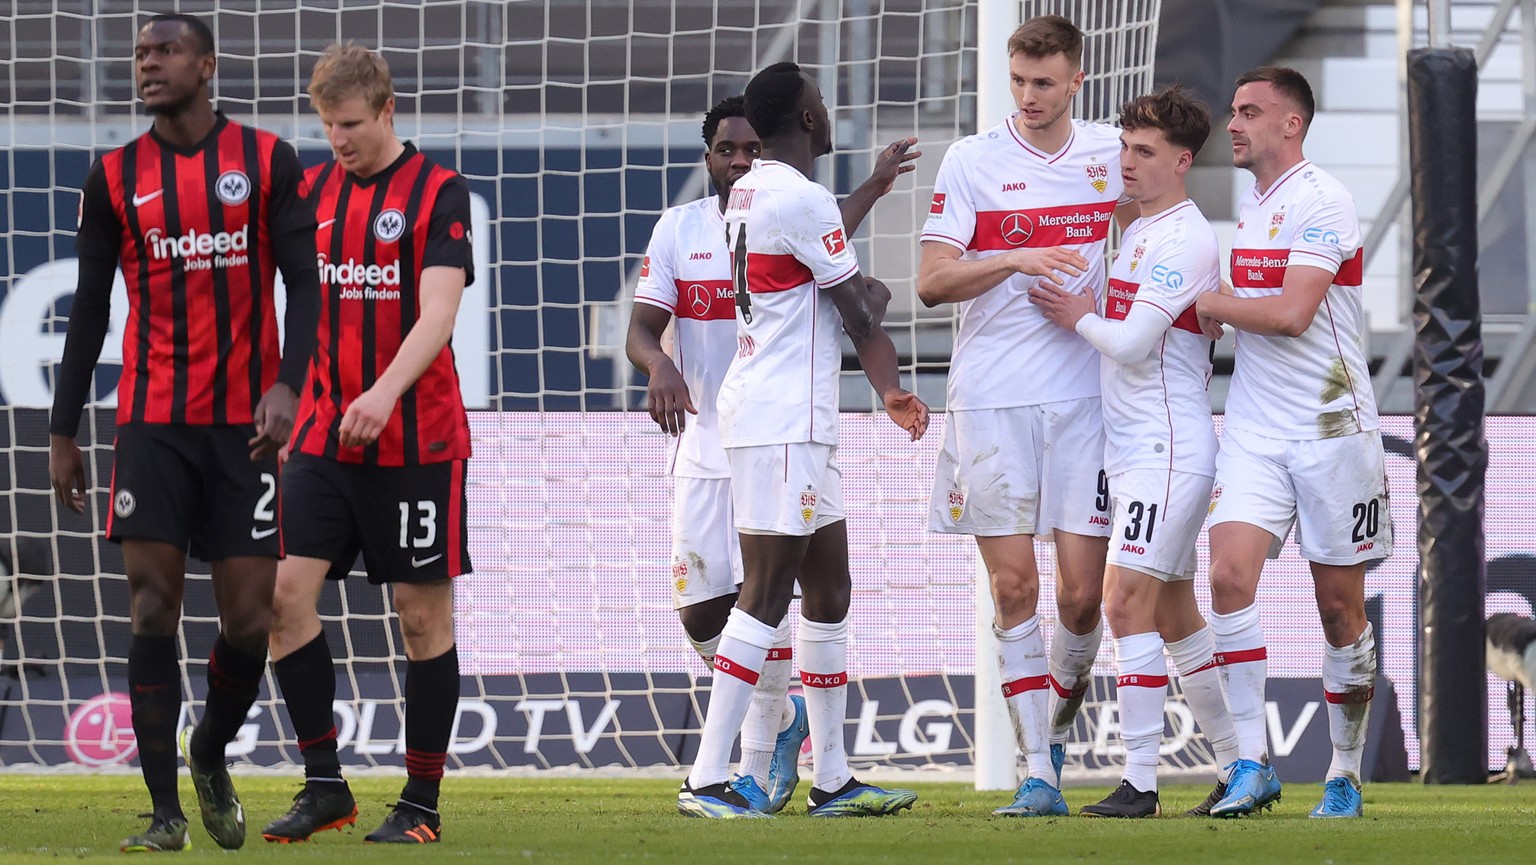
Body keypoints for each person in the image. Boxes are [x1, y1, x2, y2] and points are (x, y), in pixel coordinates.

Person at [47, 13, 320, 853]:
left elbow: (306, 290)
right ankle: (166, 811)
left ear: (207, 64)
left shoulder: (268, 161)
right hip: (152, 424)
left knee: (247, 618)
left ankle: (209, 751)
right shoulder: (114, 175)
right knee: (153, 606)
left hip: (246, 428)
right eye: (139, 54)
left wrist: (285, 387)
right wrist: (64, 430)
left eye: (164, 52)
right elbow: (90, 310)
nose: (147, 65)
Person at [626, 96, 919, 814]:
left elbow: (822, 260)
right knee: (746, 599)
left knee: (828, 587)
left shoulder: (759, 201)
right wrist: (860, 297)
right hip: (768, 421)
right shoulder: (766, 202)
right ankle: (709, 775)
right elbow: (853, 304)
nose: (738, 161)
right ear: (816, 119)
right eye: (726, 149)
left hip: (794, 422)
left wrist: (879, 371)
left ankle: (831, 778)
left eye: (750, 146)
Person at [260, 43, 475, 844]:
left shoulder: (436, 193)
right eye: (325, 126)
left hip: (416, 438)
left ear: (387, 110)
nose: (337, 140)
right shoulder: (309, 191)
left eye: (349, 124)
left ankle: (419, 802)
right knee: (281, 596)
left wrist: (384, 393)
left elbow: (438, 314)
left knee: (420, 617)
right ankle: (325, 785)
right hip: (323, 432)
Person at [915, 14, 1127, 816]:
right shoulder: (973, 160)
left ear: (1076, 79)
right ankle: (1039, 768)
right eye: (1019, 82)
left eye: (1045, 83)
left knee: (1081, 598)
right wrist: (1012, 254)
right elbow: (932, 282)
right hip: (993, 397)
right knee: (1013, 584)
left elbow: (1155, 225)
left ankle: (1058, 715)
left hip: (1087, 396)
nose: (1030, 97)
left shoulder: (1112, 153)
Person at [1030, 84, 1240, 818]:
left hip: (1166, 447)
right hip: (1134, 452)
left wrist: (1078, 314)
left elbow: (1128, 340)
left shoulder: (1184, 237)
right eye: (1124, 147)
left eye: (1144, 151)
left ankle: (1142, 783)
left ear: (1181, 162)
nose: (1127, 161)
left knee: (1122, 603)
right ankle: (1241, 766)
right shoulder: (1143, 232)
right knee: (1175, 613)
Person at [1195, 66, 1391, 819]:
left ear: (1291, 125)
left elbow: (1292, 315)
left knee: (1340, 609)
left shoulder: (1324, 199)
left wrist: (1210, 302)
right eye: (1234, 110)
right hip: (1253, 427)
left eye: (1250, 112)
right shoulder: (1256, 202)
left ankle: (1343, 769)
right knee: (1226, 578)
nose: (1234, 123)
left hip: (1333, 428)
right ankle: (1252, 760)